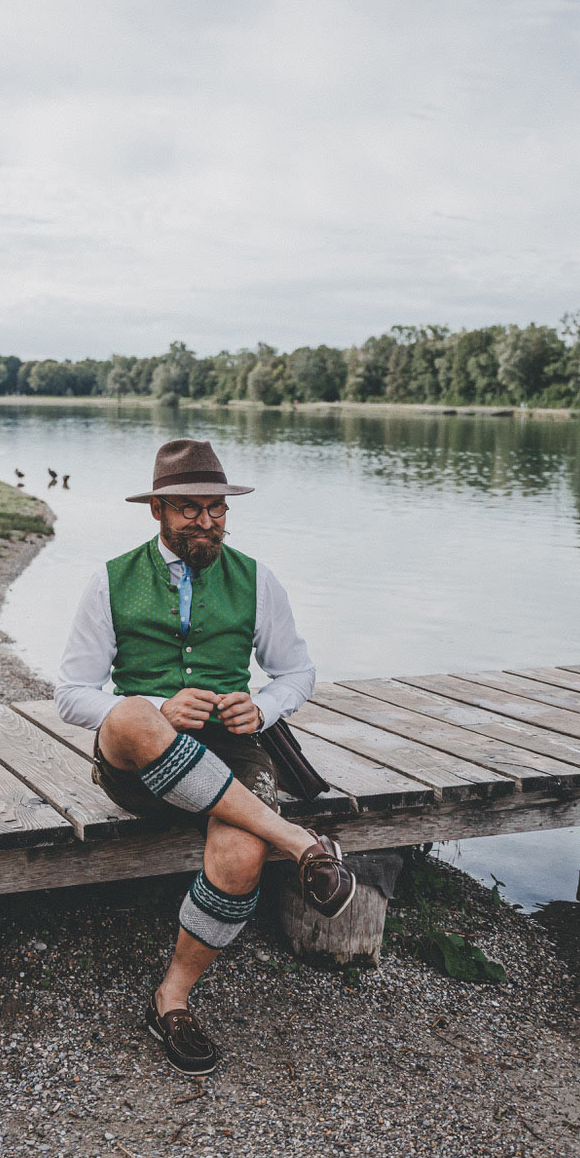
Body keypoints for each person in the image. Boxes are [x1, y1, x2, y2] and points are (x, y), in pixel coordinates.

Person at [55, 438, 355, 1075]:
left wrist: (264, 708)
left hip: (231, 750)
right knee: (131, 712)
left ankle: (171, 999)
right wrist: (160, 710)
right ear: (159, 511)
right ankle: (302, 843)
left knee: (244, 852)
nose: (207, 521)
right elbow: (71, 695)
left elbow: (296, 672)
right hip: (138, 761)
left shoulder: (256, 579)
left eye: (216, 508)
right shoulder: (110, 579)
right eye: (190, 509)